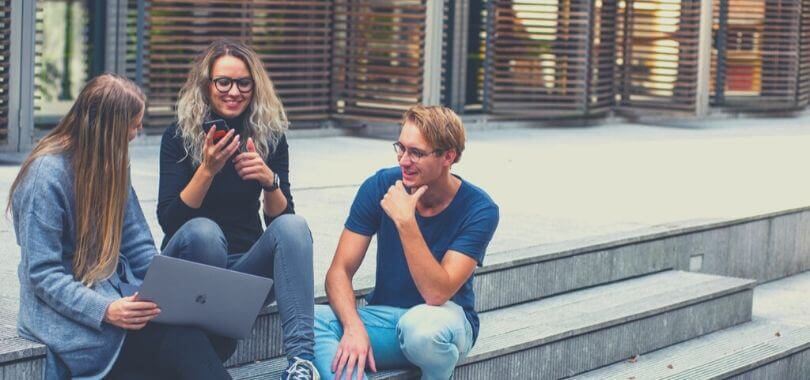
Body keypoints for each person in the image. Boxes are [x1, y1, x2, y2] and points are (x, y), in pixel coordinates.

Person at [9, 74, 232, 379]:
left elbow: (138, 246)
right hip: (71, 317)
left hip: (120, 296)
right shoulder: (45, 176)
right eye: (133, 125)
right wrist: (105, 310)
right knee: (182, 342)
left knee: (206, 334)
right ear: (108, 128)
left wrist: (165, 293)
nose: (136, 133)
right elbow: (43, 274)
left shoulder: (112, 165)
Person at [157, 39, 318, 379]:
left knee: (295, 226)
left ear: (254, 85)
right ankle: (203, 341)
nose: (234, 91)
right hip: (191, 266)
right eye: (223, 82)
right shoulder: (179, 136)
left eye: (244, 82)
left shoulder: (269, 137)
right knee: (205, 231)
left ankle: (302, 363)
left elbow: (282, 227)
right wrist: (207, 170)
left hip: (244, 272)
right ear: (207, 85)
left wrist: (268, 181)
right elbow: (170, 222)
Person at [314, 105, 500, 380]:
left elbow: (437, 294)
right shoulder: (380, 186)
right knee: (308, 319)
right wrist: (353, 327)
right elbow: (339, 271)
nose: (403, 160)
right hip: (387, 319)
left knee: (421, 328)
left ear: (448, 156)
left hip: (444, 323)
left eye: (416, 152)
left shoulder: (479, 208)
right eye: (400, 148)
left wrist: (406, 222)